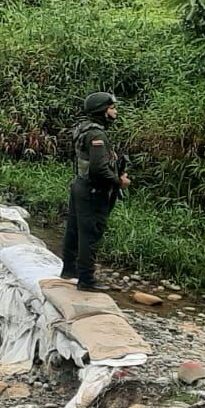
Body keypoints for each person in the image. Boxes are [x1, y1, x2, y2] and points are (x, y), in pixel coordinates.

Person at [61, 91, 131, 291]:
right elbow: (99, 168)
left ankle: (69, 270)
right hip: (93, 190)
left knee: (74, 229)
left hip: (80, 185)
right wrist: (119, 181)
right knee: (90, 233)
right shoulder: (97, 134)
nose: (115, 112)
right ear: (102, 111)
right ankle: (86, 280)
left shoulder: (83, 128)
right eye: (112, 108)